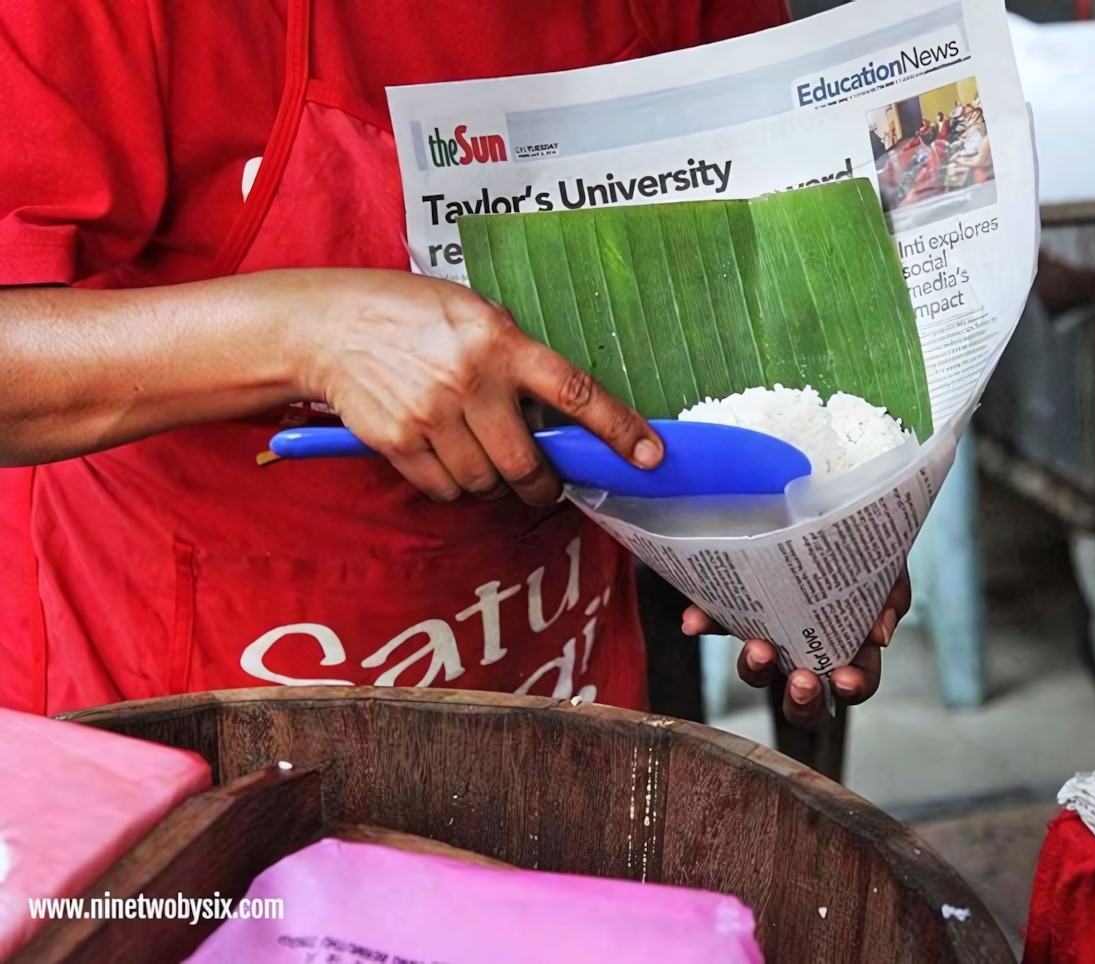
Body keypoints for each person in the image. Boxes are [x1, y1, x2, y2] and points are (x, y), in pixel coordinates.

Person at [0, 0, 909, 724]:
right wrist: (305, 333)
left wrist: (821, 533)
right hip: (195, 677)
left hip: (552, 664)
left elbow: (748, 273)